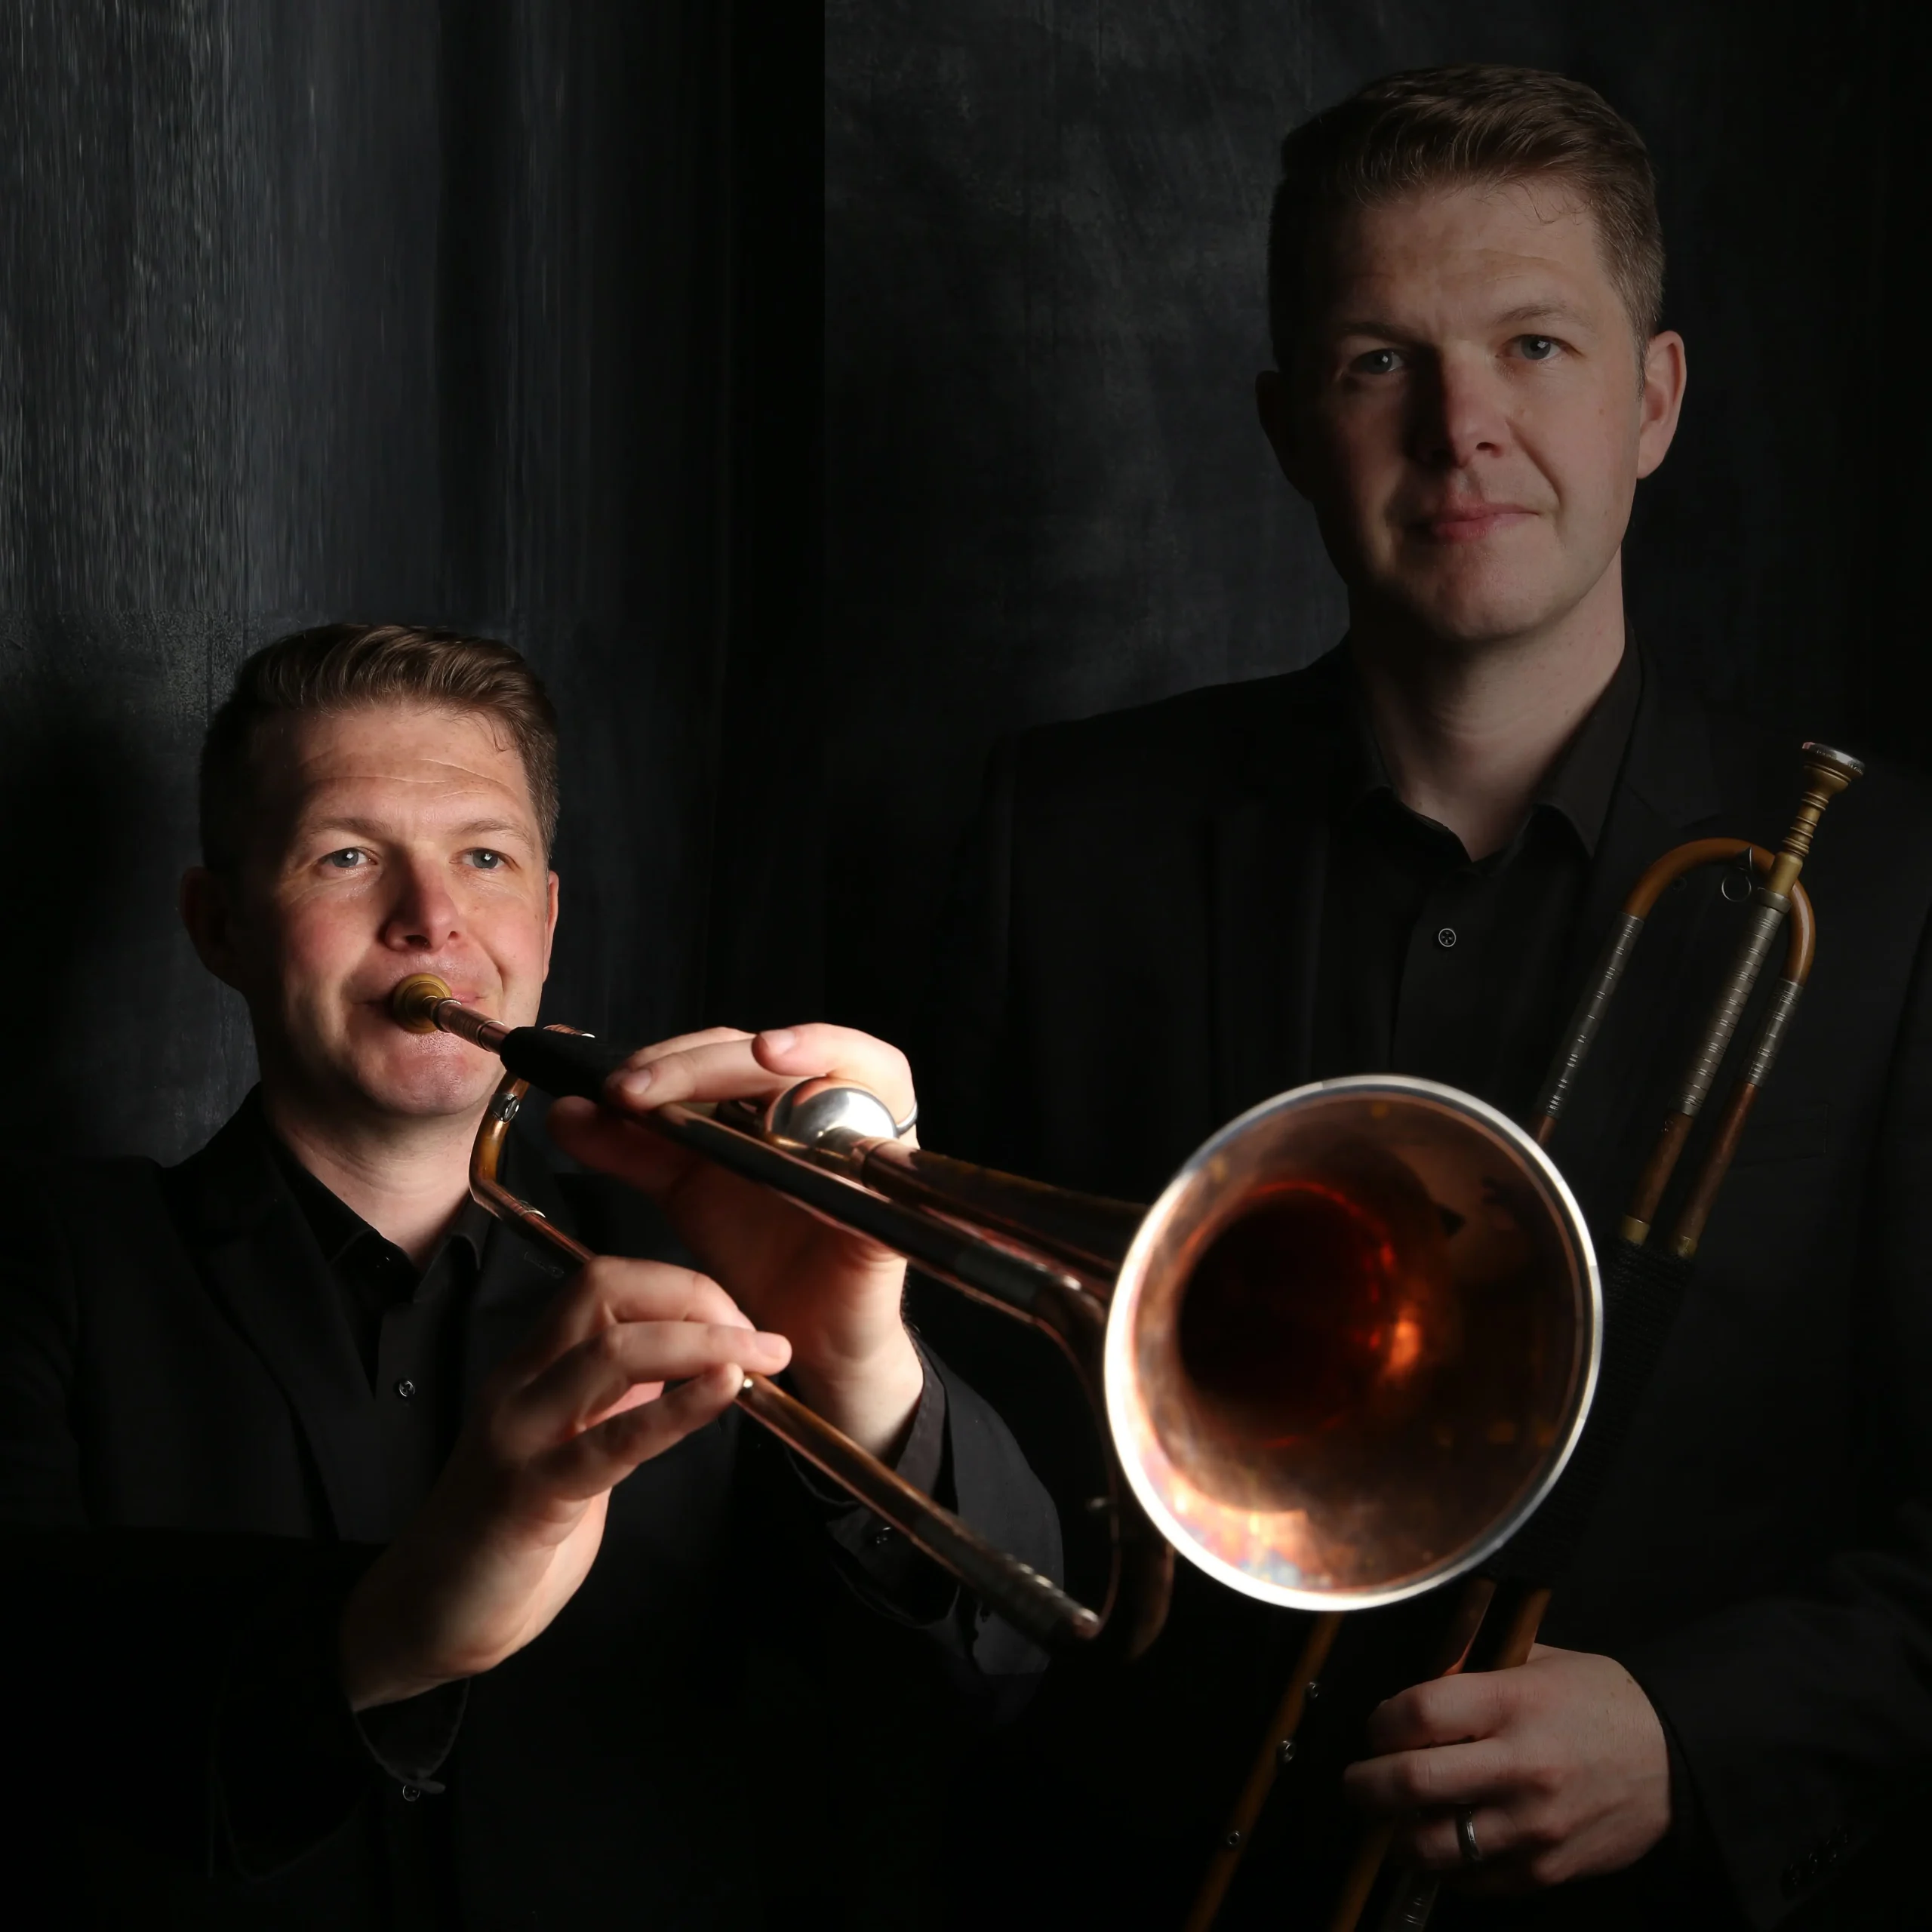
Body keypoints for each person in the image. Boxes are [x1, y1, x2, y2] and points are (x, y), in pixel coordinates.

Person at [923, 64, 1932, 1930]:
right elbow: (977, 1438)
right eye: (1379, 360)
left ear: (1654, 402)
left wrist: (1690, 1732)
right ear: (1285, 425)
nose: (1463, 426)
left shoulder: (1890, 895)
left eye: (1535, 345)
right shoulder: (1057, 843)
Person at [0, 623, 1057, 1927]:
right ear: (219, 925)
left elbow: (982, 1692)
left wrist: (855, 1361)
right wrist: (391, 1629)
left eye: (484, 858)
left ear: (545, 923)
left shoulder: (702, 1276)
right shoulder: (47, 1261)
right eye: (346, 856)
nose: (431, 918)